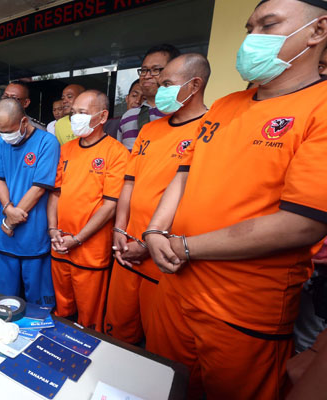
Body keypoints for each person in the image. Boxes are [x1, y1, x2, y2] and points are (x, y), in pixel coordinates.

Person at [143, 1, 327, 398]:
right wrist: (155, 229)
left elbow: (302, 222)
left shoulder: (321, 107)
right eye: (249, 28)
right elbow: (184, 173)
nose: (251, 40)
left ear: (318, 31)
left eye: (268, 25)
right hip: (175, 287)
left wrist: (186, 246)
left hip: (242, 307)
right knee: (165, 386)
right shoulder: (226, 106)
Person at [104, 54, 210, 345]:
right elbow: (129, 183)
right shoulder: (149, 130)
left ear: (194, 84)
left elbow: (196, 197)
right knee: (117, 336)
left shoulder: (212, 129)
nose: (158, 89)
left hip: (165, 259)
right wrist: (119, 231)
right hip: (126, 251)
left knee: (161, 346)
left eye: (166, 83)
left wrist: (149, 243)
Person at [48, 90, 128, 332]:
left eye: (82, 113)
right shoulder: (67, 149)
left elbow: (110, 205)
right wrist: (52, 229)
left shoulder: (117, 153)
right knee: (61, 310)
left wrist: (79, 239)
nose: (75, 119)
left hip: (89, 252)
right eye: (73, 113)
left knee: (89, 320)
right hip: (60, 244)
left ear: (102, 116)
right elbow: (55, 193)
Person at [0, 98, 60, 307]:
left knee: (37, 301)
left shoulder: (47, 142)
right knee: (3, 300)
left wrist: (11, 221)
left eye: (9, 130)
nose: (5, 136)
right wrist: (7, 209)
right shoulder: (2, 142)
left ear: (23, 122)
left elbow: (40, 187)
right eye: (0, 131)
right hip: (5, 230)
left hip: (32, 230)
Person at [117, 44, 181, 151]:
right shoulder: (128, 116)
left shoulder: (181, 113)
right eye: (144, 70)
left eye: (155, 70)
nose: (146, 76)